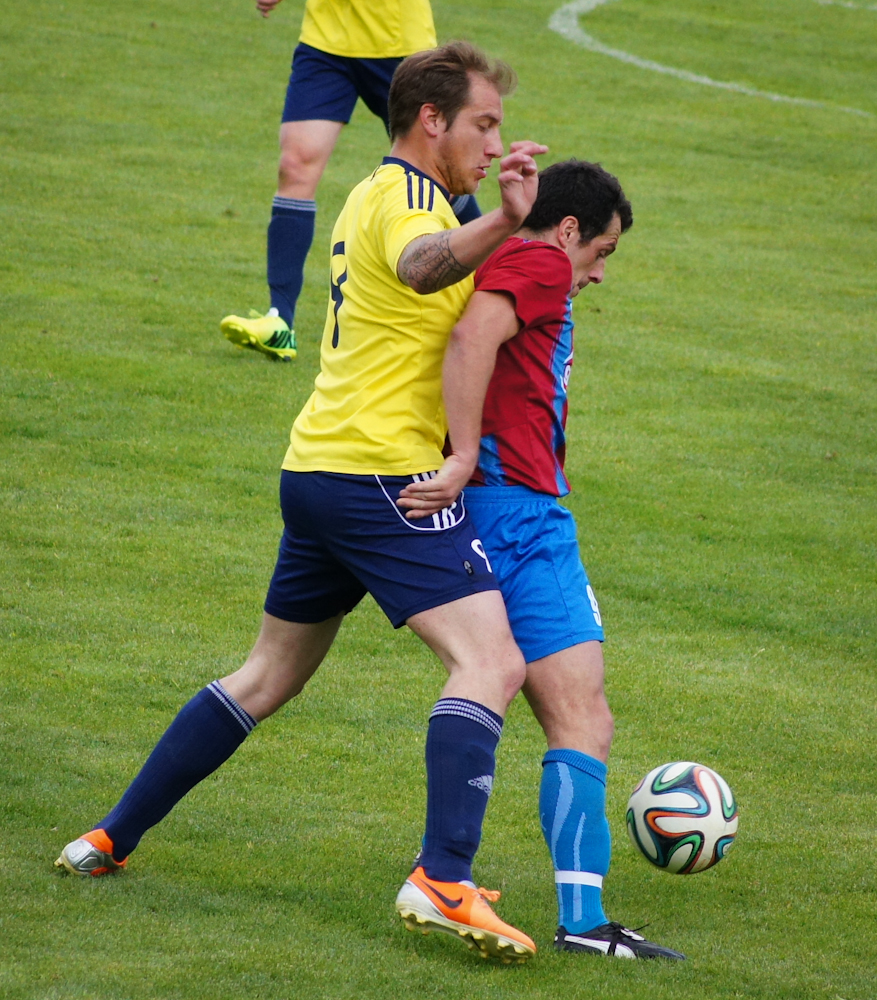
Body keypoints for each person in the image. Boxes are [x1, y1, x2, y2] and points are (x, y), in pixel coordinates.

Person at [56, 42, 547, 964]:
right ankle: (442, 876)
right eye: (483, 125)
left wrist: (506, 222)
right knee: (490, 662)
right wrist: (505, 222)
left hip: (319, 467)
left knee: (266, 676)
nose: (494, 145)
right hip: (382, 478)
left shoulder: (374, 192)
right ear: (430, 120)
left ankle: (108, 837)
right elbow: (425, 266)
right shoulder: (409, 202)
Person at [396, 159, 686, 959]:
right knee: (581, 718)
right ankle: (579, 922)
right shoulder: (541, 263)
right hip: (520, 516)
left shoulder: (498, 254)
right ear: (567, 231)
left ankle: (117, 831)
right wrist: (464, 457)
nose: (597, 273)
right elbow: (470, 338)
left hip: (488, 508)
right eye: (601, 252)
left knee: (279, 669)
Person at [220, 0, 481, 361]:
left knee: (440, 168)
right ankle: (280, 319)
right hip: (326, 39)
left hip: (398, 40)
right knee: (295, 164)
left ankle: (509, 270)